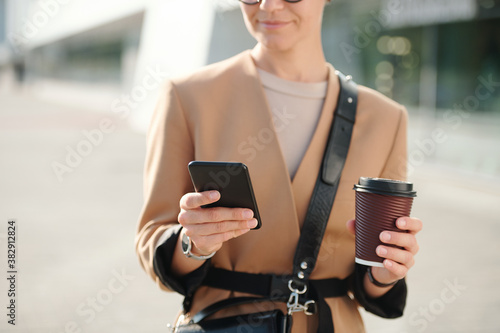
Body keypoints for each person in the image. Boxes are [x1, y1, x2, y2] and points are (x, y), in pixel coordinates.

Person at [135, 0, 423, 332]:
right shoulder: (187, 97)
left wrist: (385, 273)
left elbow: (370, 273)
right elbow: (152, 238)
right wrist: (193, 243)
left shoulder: (386, 119)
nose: (269, 5)